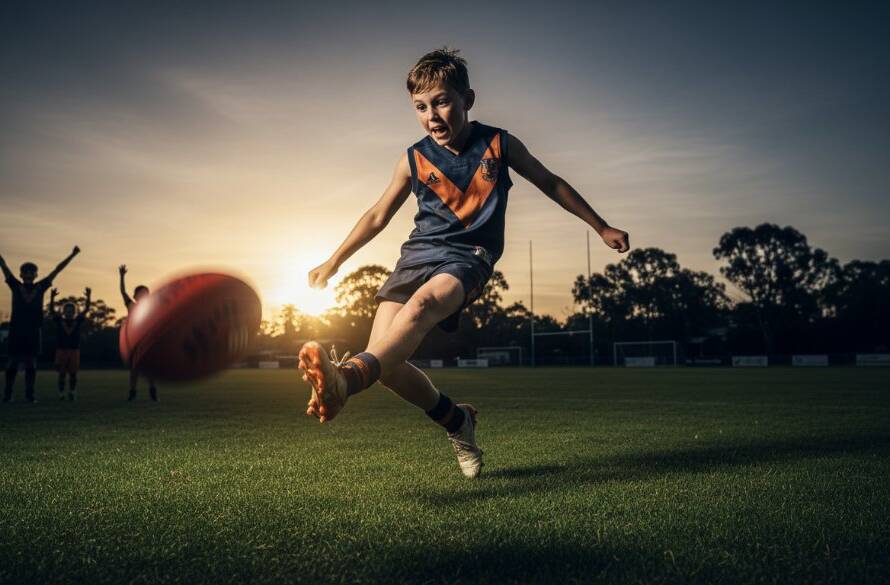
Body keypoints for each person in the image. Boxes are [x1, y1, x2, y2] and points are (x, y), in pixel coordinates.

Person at [298, 48, 630, 478]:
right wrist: (334, 261)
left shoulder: (499, 144)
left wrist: (601, 227)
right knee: (388, 365)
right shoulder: (412, 159)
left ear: (467, 99)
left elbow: (551, 182)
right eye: (420, 106)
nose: (432, 115)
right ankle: (456, 420)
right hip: (416, 256)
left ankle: (346, 380)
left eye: (441, 101)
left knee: (418, 311)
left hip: (469, 256)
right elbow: (378, 215)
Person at [1, 246, 80, 403]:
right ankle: (8, 394)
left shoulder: (41, 286)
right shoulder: (15, 285)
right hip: (16, 330)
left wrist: (72, 255)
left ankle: (30, 394)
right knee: (13, 362)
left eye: (32, 271)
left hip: (34, 330)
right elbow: (3, 265)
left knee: (31, 361)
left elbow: (57, 269)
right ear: (21, 274)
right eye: (26, 271)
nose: (29, 274)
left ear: (36, 274)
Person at [119, 264, 157, 401]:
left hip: (148, 341)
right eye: (140, 293)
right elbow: (123, 292)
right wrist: (122, 276)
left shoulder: (152, 307)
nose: (142, 295)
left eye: (145, 293)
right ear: (135, 296)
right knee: (134, 370)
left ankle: (153, 391)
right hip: (135, 341)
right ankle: (132, 392)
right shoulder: (131, 305)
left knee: (150, 369)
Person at [49, 287, 91, 401]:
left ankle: (72, 392)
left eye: (71, 310)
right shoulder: (59, 320)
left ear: (74, 312)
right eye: (67, 310)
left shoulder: (77, 320)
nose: (69, 312)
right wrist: (52, 297)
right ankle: (61, 393)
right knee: (61, 374)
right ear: (64, 311)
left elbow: (86, 309)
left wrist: (88, 296)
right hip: (61, 350)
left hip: (74, 350)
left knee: (73, 374)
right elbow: (52, 310)